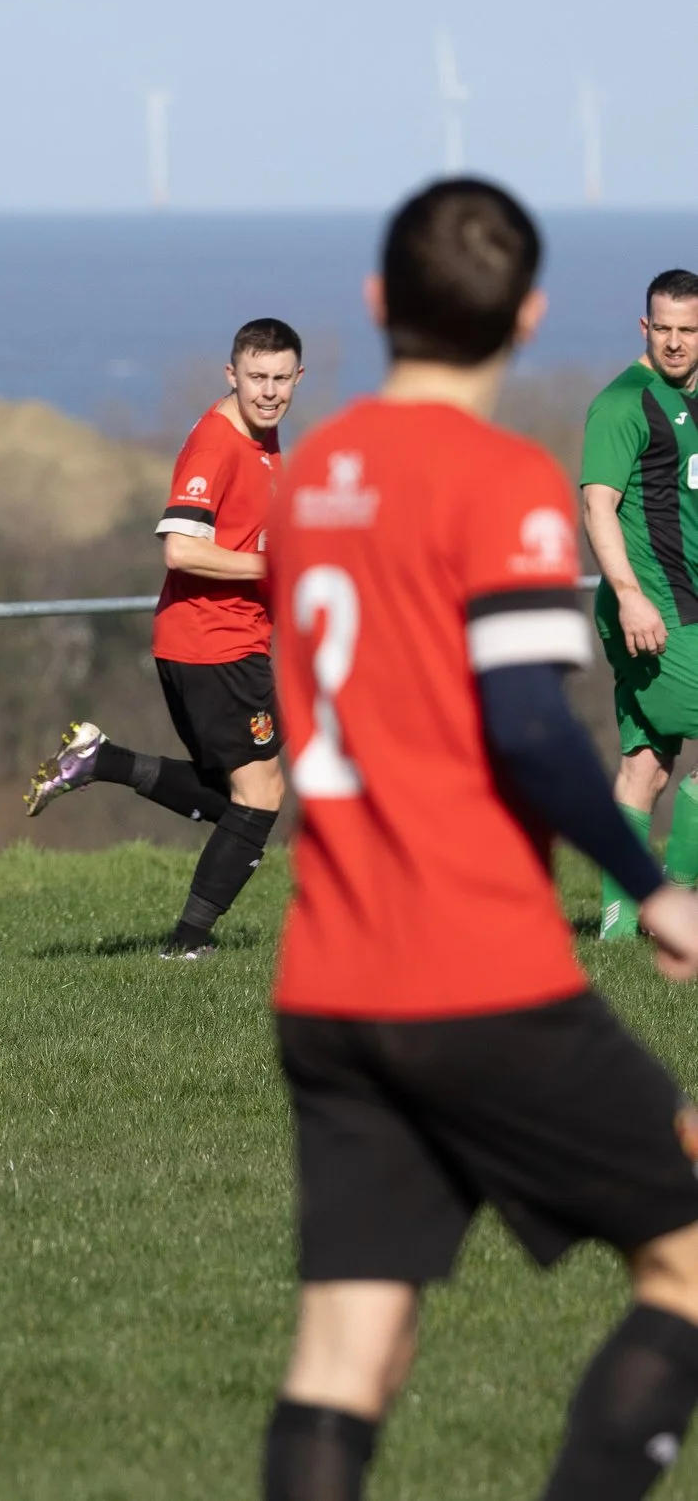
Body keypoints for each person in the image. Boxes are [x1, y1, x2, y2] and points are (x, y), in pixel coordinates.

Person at [259, 178, 698, 1501]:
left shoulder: (316, 473)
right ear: (532, 313)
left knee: (351, 1350)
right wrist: (649, 883)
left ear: (380, 304)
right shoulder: (499, 476)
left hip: (329, 986)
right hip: (478, 977)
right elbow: (525, 723)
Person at [21, 318, 300, 958]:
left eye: (281, 379)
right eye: (257, 377)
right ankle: (184, 947)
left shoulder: (264, 436)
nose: (269, 391)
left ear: (297, 378)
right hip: (214, 644)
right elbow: (180, 549)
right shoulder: (217, 444)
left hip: (224, 642)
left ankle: (102, 760)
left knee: (239, 793)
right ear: (231, 375)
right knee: (261, 795)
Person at [581, 270, 698, 941]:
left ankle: (619, 933)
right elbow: (598, 505)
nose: (675, 342)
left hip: (684, 607)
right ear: (644, 327)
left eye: (688, 330)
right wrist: (629, 597)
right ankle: (673, 907)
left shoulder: (690, 395)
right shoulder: (624, 403)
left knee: (645, 765)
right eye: (664, 329)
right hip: (653, 609)